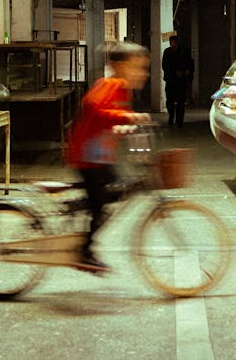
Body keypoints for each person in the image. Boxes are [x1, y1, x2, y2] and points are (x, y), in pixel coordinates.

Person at [64, 42, 151, 272]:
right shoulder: (111, 83)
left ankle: (84, 203)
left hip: (101, 155)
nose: (141, 73)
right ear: (117, 66)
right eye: (136, 67)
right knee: (101, 201)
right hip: (87, 156)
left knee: (114, 192)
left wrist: (125, 123)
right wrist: (126, 117)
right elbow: (94, 108)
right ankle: (85, 251)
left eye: (143, 68)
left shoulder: (123, 88)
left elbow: (110, 119)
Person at [161, 34, 194, 128]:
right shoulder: (167, 52)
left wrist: (187, 71)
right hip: (171, 80)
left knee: (181, 101)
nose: (174, 44)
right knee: (170, 100)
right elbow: (165, 66)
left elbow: (190, 63)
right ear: (170, 43)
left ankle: (180, 120)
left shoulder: (183, 51)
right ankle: (171, 117)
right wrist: (174, 72)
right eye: (173, 43)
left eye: (176, 42)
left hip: (181, 80)